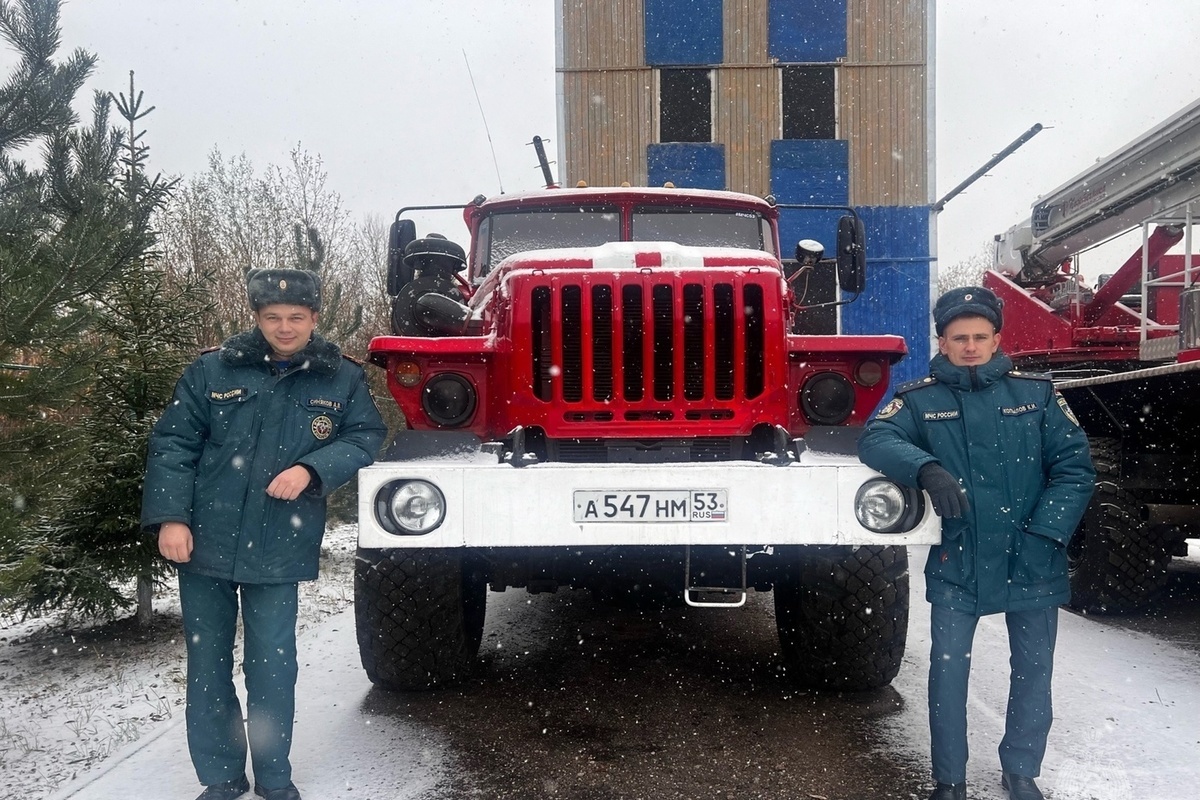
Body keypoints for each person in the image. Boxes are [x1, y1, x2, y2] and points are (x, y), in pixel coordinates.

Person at [142, 268, 387, 800]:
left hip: (281, 541)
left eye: (296, 317)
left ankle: (275, 778)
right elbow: (173, 444)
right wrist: (172, 519)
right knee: (208, 663)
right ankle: (222, 777)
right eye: (272, 317)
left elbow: (366, 434)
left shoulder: (339, 378)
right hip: (204, 537)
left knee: (272, 664)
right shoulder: (213, 369)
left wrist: (312, 469)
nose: (284, 327)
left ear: (314, 318)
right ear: (255, 317)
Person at [858, 286, 1094, 800]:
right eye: (958, 337)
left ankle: (1021, 771)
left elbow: (1075, 470)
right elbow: (875, 438)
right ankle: (950, 780)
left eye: (979, 337)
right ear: (942, 342)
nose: (970, 346)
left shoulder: (1036, 395)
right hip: (958, 558)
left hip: (1033, 556)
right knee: (948, 674)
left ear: (997, 339)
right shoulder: (920, 401)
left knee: (1032, 671)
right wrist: (926, 467)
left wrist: (1046, 534)